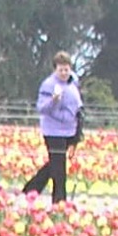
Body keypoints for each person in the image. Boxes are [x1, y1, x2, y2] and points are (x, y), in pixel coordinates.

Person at [23, 52, 82, 202]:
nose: (64, 73)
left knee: (56, 163)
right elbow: (42, 108)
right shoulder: (48, 85)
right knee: (59, 167)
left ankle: (31, 189)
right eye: (61, 70)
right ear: (55, 69)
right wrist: (54, 101)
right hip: (53, 131)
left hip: (70, 130)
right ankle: (59, 201)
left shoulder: (74, 82)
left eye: (66, 69)